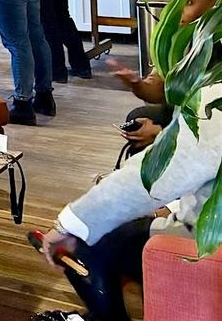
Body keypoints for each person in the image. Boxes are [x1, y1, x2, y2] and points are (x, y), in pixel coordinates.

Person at [34, 80, 222, 320]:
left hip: (208, 237)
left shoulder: (215, 101)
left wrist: (69, 224)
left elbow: (154, 175)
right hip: (206, 216)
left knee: (91, 243)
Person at [107, 0, 219, 156]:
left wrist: (161, 134)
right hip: (182, 117)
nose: (175, 12)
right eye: (172, 2)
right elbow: (158, 90)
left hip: (208, 128)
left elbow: (214, 126)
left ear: (215, 3)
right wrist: (137, 84)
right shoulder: (175, 39)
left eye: (188, 2)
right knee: (137, 119)